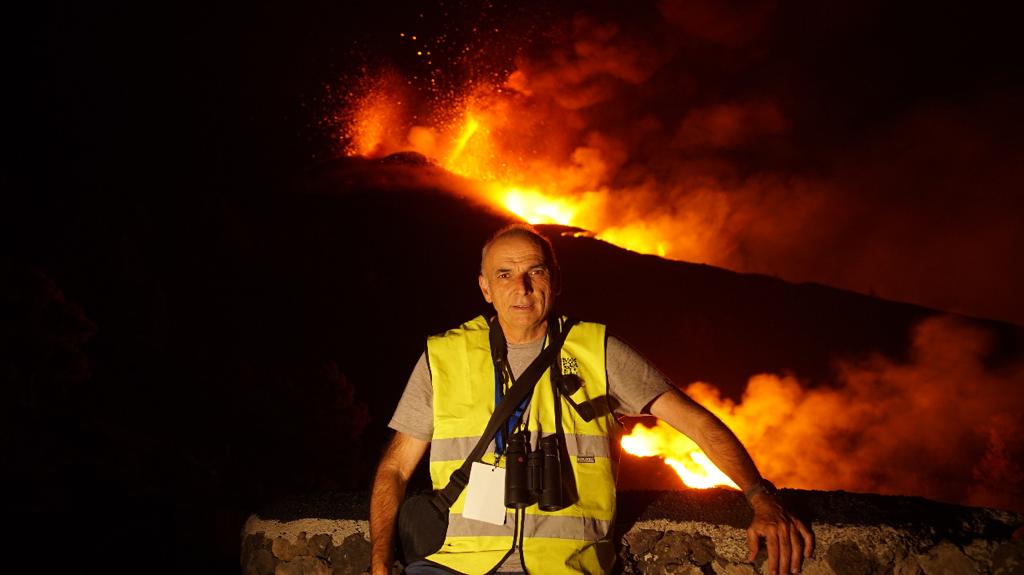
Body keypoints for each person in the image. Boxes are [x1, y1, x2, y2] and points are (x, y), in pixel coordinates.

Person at [370, 224, 813, 575]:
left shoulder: (596, 350)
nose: (520, 287)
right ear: (485, 287)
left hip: (564, 569)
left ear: (555, 281)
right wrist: (379, 561)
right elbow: (394, 468)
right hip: (453, 566)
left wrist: (760, 497)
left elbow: (695, 423)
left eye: (535, 271)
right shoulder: (443, 356)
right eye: (504, 274)